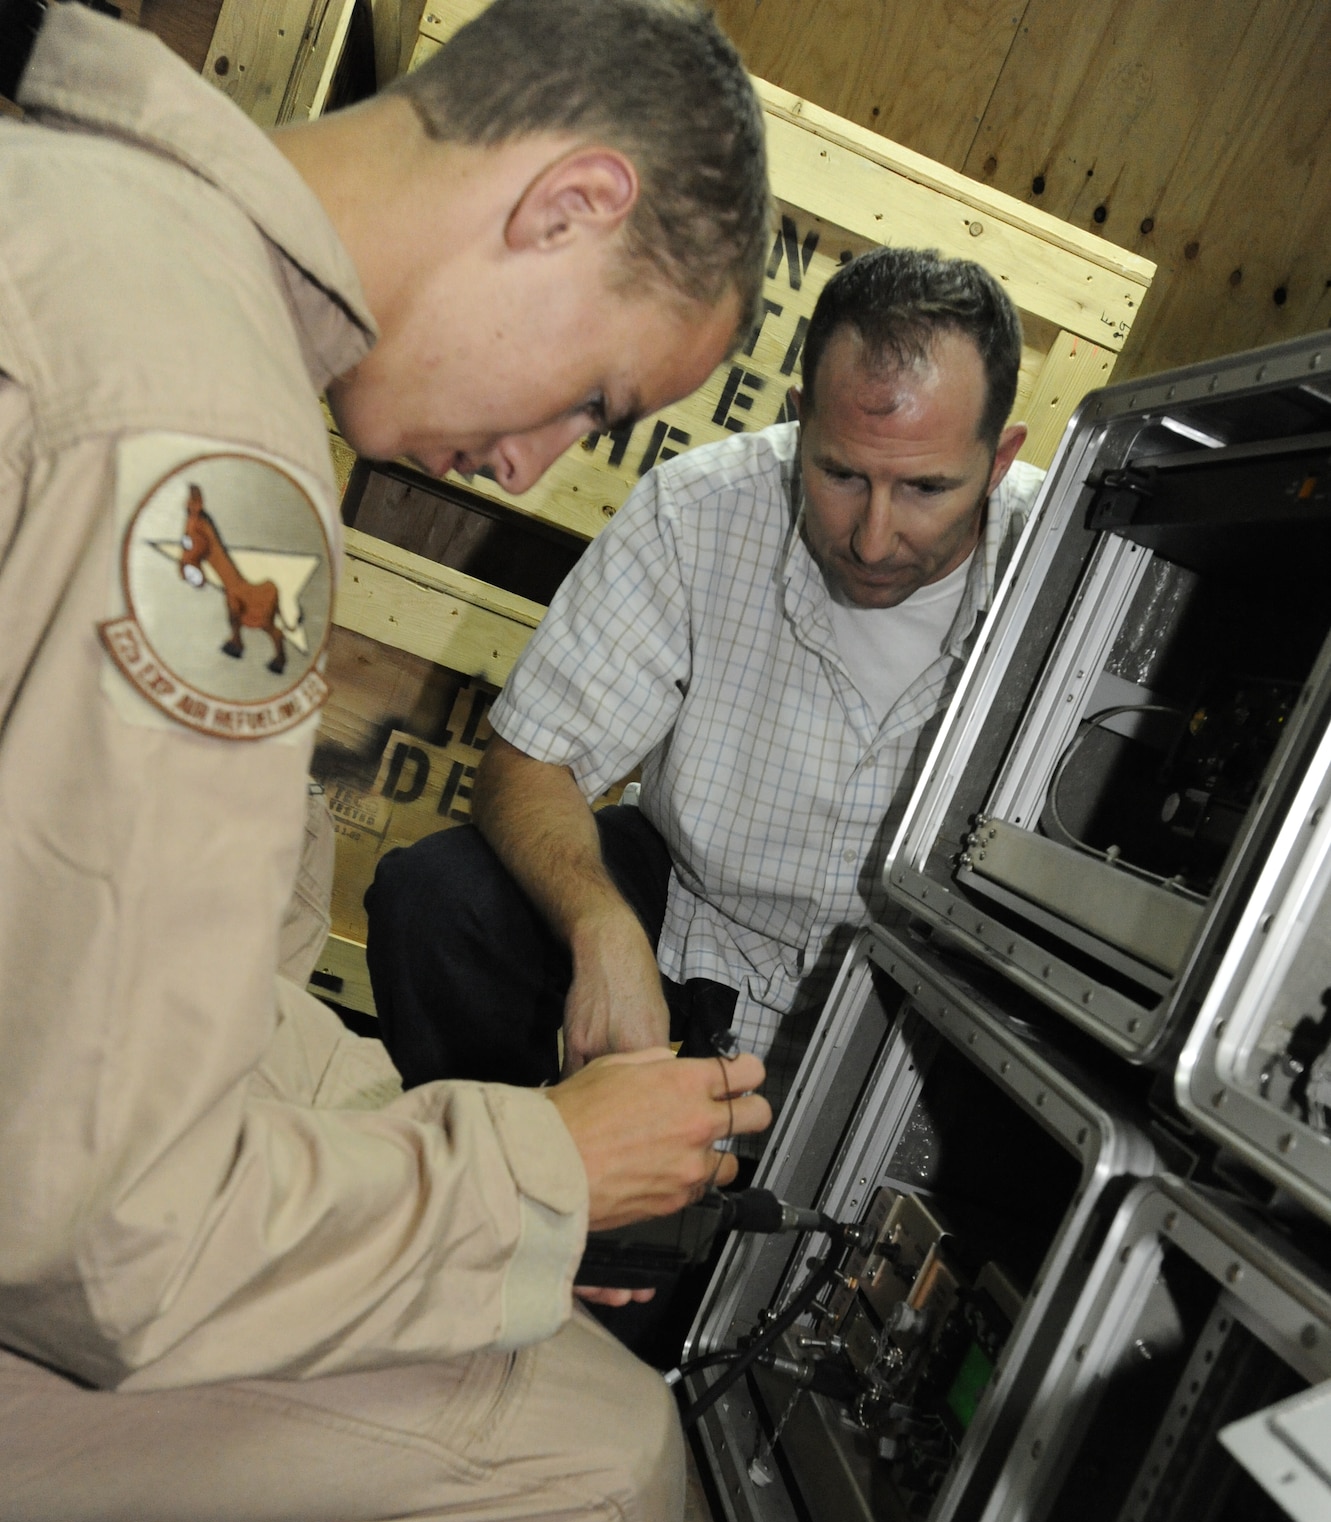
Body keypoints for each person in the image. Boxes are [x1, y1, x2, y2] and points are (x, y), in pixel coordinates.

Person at [0, 0, 772, 1522]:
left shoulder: (82, 216)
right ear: (567, 201)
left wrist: (431, 1148)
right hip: (51, 1234)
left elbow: (177, 993)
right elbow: (104, 1237)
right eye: (592, 395)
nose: (534, 463)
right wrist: (543, 1172)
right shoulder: (202, 440)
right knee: (607, 1484)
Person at [366, 249, 1046, 1130]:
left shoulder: (1081, 567)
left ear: (998, 461)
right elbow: (532, 761)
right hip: (690, 939)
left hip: (921, 1015)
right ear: (800, 423)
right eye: (840, 475)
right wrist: (600, 931)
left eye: (924, 488)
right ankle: (533, 1195)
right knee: (442, 901)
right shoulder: (695, 511)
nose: (874, 540)